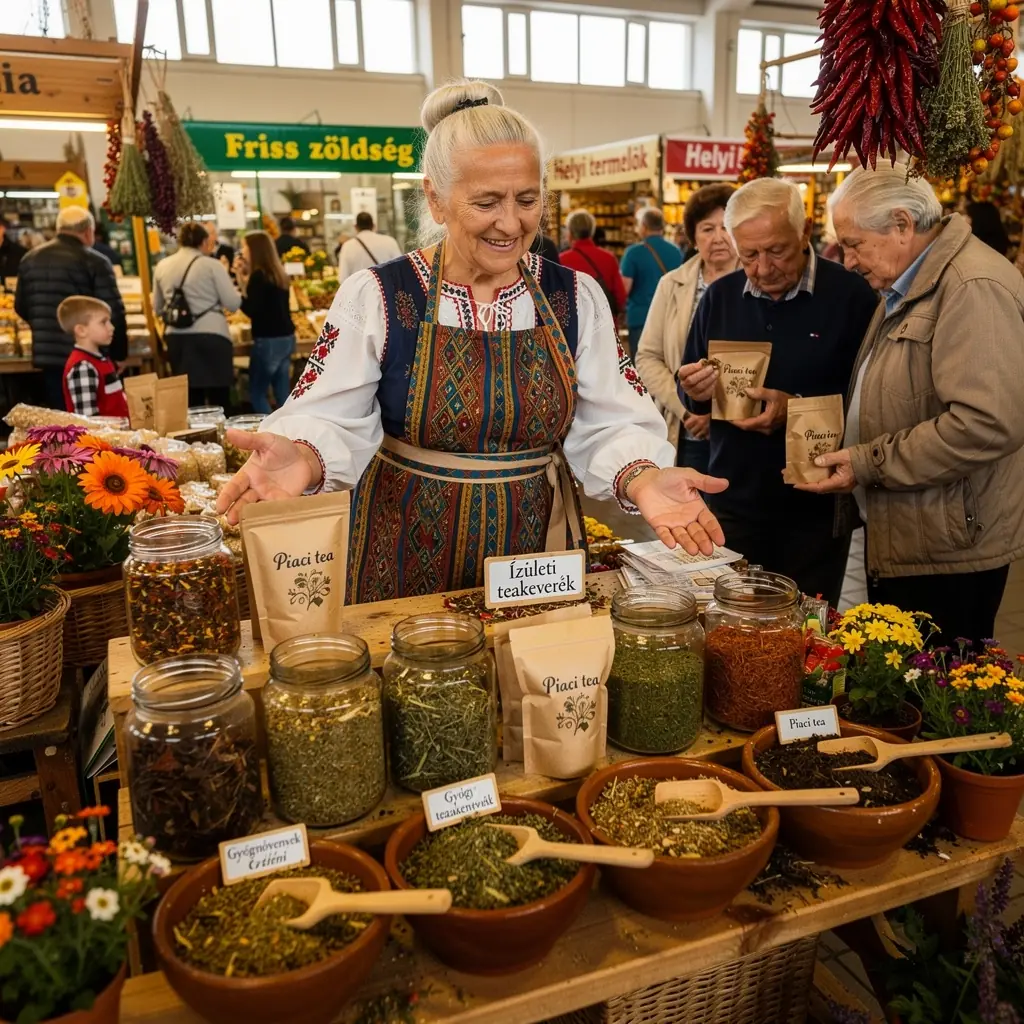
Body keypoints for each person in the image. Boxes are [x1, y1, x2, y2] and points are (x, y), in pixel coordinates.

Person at [216, 78, 727, 605]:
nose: (511, 223)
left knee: (537, 678)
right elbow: (331, 414)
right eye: (487, 203)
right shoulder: (379, 296)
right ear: (435, 200)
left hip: (536, 552)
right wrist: (304, 452)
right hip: (402, 550)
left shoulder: (575, 297)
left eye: (528, 199)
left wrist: (643, 478)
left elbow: (614, 418)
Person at [795, 167, 1024, 645]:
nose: (848, 260)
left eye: (855, 243)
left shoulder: (970, 286)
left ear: (902, 224)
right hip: (906, 528)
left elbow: (986, 423)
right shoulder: (909, 281)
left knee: (938, 693)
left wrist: (868, 461)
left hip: (949, 544)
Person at [678, 177, 878, 608]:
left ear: (805, 231)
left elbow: (875, 401)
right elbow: (696, 396)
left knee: (806, 629)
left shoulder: (852, 296)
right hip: (733, 499)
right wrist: (695, 391)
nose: (764, 269)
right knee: (735, 626)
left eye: (777, 251)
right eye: (748, 255)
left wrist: (795, 410)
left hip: (816, 506)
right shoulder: (720, 297)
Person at [636, 184, 738, 474]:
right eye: (707, 229)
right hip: (688, 433)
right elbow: (648, 357)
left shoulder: (756, 284)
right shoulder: (671, 285)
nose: (718, 237)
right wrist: (688, 409)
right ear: (693, 237)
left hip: (741, 435)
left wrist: (718, 414)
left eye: (726, 227)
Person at [15, 207, 128, 409]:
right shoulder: (96, 262)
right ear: (88, 232)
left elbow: (21, 307)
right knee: (97, 424)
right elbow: (114, 312)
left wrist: (46, 329)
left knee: (61, 424)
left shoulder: (29, 260)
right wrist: (119, 354)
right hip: (88, 354)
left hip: (48, 356)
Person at [152, 221, 241, 410]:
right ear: (204, 242)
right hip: (212, 337)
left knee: (191, 402)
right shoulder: (212, 266)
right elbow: (232, 304)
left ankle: (194, 439)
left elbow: (157, 308)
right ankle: (222, 438)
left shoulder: (162, 265)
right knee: (219, 400)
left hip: (177, 339)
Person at [234, 231, 295, 414]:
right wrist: (240, 276)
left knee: (257, 393)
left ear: (255, 249)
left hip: (268, 341)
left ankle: (270, 432)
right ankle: (289, 431)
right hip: (286, 338)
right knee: (282, 393)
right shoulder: (279, 274)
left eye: (245, 246)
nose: (242, 251)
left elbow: (252, 309)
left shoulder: (258, 276)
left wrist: (235, 298)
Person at [620, 207, 683, 358]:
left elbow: (625, 288)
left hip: (640, 317)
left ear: (643, 227)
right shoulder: (676, 251)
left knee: (642, 367)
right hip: (669, 317)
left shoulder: (633, 253)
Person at [57, 295, 128, 418]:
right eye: (104, 322)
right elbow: (88, 420)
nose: (112, 327)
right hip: (102, 437)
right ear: (81, 330)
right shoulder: (83, 367)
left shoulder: (100, 359)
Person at [559, 210, 627, 319]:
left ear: (570, 233)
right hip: (605, 324)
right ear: (592, 231)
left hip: (574, 326)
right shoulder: (609, 258)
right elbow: (620, 297)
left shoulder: (562, 260)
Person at [337, 212, 402, 282]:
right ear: (374, 226)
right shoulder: (390, 242)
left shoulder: (348, 246)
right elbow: (400, 270)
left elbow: (343, 278)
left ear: (356, 227)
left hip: (360, 291)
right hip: (384, 290)